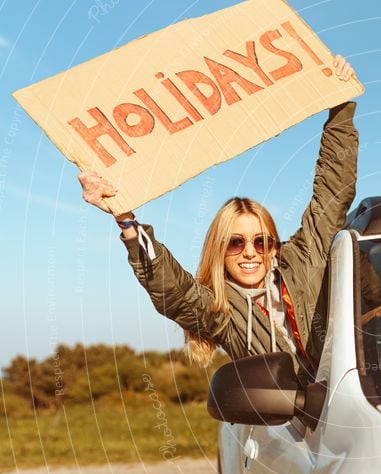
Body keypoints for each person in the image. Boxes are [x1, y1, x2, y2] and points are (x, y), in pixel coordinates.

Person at [79, 56, 358, 381]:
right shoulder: (218, 309)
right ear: (218, 248)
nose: (251, 252)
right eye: (235, 242)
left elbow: (333, 192)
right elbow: (174, 291)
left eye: (261, 241)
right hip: (289, 428)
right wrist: (125, 218)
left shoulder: (304, 261)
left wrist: (339, 105)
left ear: (274, 245)